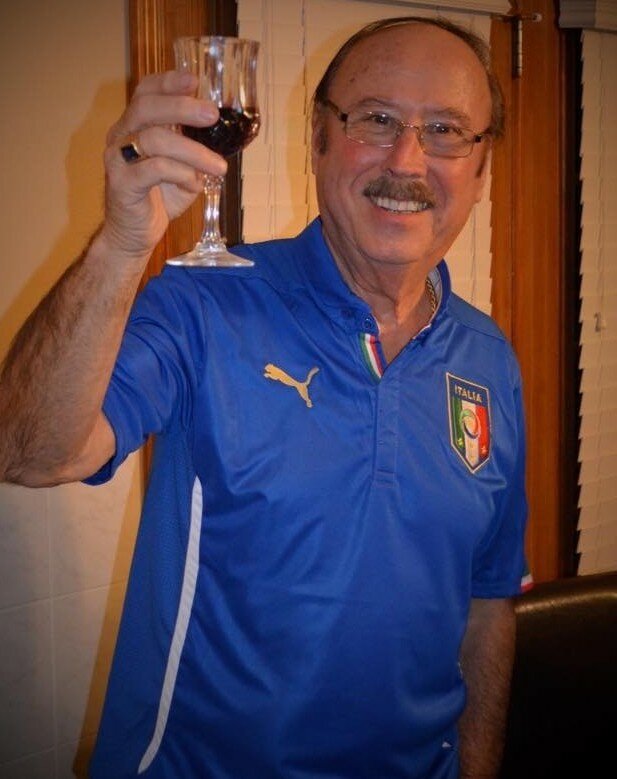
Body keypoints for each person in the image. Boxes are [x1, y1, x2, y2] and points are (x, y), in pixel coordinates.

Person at [0, 16, 529, 779]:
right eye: (376, 119)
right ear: (317, 139)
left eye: (445, 130)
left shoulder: (488, 358)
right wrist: (121, 242)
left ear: (480, 169)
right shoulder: (203, 303)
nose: (406, 160)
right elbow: (29, 450)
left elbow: (487, 600)